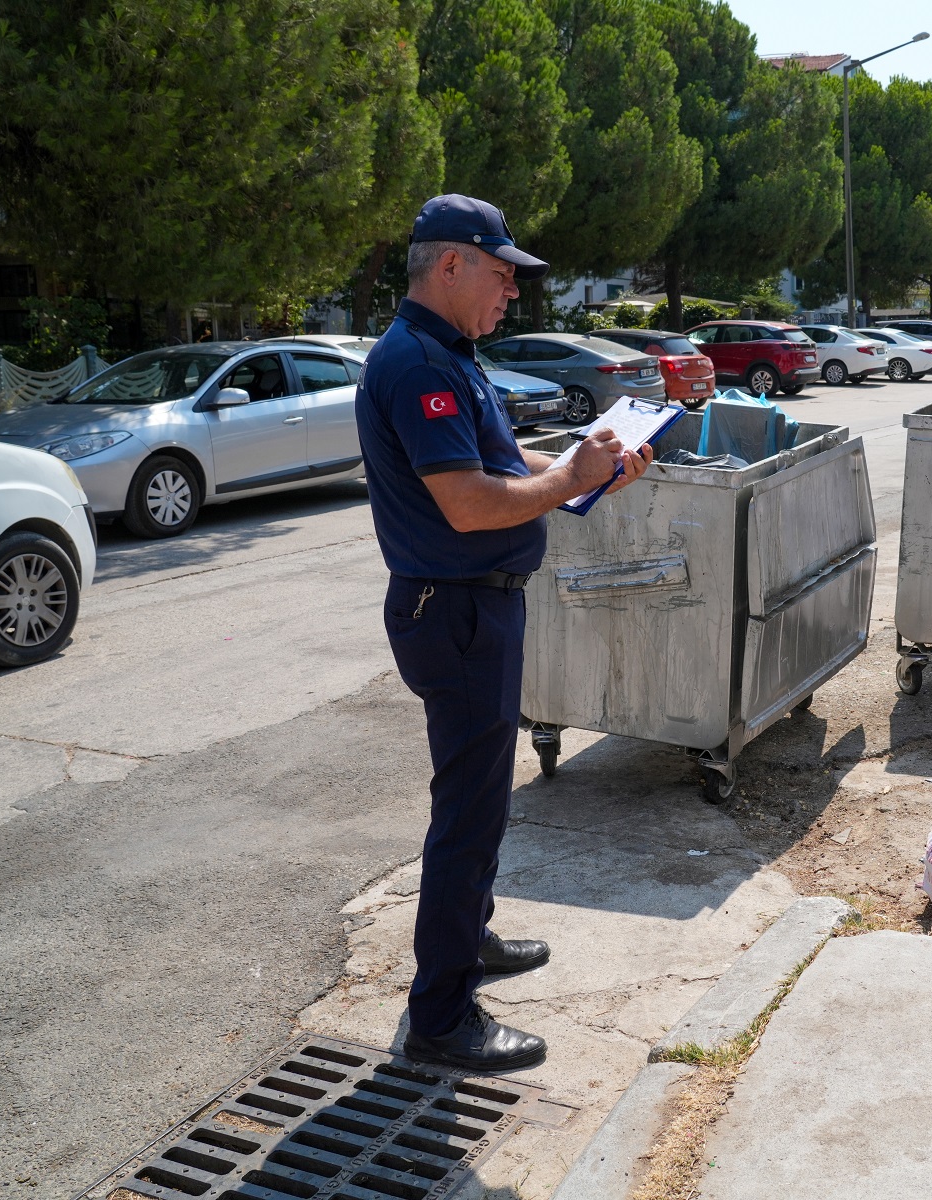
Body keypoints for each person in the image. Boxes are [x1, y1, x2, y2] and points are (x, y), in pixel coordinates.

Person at [356, 194, 653, 1071]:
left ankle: (468, 939)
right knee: (470, 807)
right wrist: (570, 480)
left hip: (473, 606)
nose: (514, 292)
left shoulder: (448, 354)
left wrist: (584, 465)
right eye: (502, 272)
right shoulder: (416, 363)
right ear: (449, 266)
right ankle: (443, 1017)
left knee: (481, 798)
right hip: (453, 611)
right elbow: (471, 501)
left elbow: (500, 466)